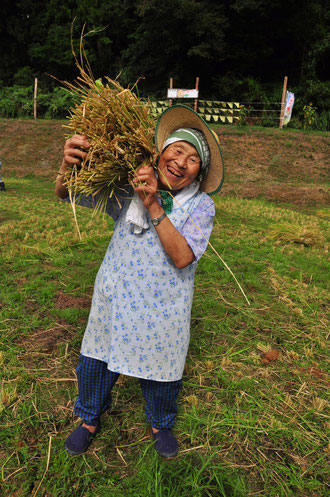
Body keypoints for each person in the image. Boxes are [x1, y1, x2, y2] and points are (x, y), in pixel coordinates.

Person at [55, 104, 224, 459]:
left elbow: (182, 257)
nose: (181, 161)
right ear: (161, 153)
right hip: (116, 297)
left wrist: (154, 206)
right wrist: (66, 166)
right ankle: (88, 419)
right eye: (177, 150)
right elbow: (67, 192)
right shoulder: (132, 184)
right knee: (95, 363)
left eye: (193, 159)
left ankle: (160, 423)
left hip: (165, 307)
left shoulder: (201, 207)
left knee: (162, 372)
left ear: (197, 175)